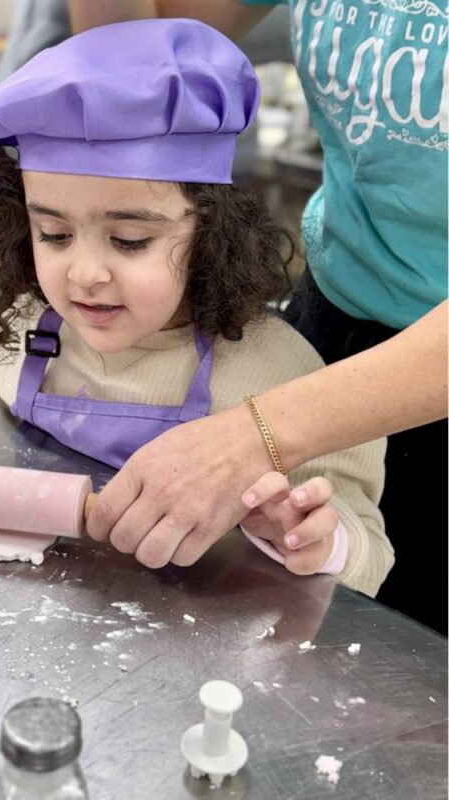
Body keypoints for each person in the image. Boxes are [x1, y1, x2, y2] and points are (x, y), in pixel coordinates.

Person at [0, 19, 392, 597]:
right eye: (54, 235)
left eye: (130, 240)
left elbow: (371, 548)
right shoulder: (43, 325)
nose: (84, 274)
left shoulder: (278, 375)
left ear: (213, 236)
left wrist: (318, 540)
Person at [68, 1, 448, 633]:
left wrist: (251, 438)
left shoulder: (267, 382)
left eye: (130, 241)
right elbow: (134, 54)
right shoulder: (283, 359)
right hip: (335, 318)